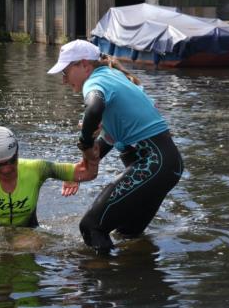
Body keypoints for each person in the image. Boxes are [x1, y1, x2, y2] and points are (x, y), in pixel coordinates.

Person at [47, 39, 183, 254]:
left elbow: (93, 108)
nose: (64, 80)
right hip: (166, 165)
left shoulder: (94, 83)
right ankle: (135, 280)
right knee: (127, 234)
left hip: (153, 164)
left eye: (66, 71)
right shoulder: (113, 76)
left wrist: (85, 141)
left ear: (84, 65)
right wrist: (83, 167)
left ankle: (100, 280)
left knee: (91, 227)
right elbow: (110, 139)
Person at [0, 126, 97, 246]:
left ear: (17, 153)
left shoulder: (37, 168)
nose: (6, 169)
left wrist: (88, 141)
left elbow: (88, 172)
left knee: (26, 244)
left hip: (30, 233)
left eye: (11, 161)